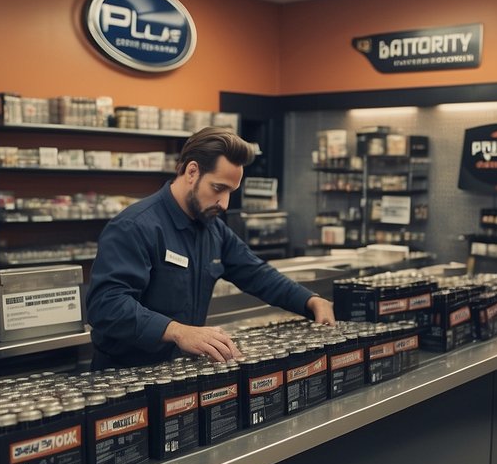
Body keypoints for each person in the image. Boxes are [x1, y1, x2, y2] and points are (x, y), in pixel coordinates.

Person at [87, 126, 334, 368]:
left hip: (181, 371)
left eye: (231, 192)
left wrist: (310, 301)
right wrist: (176, 331)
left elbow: (258, 274)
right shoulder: (135, 227)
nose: (224, 203)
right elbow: (106, 305)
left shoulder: (212, 229)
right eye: (218, 188)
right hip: (125, 376)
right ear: (192, 172)